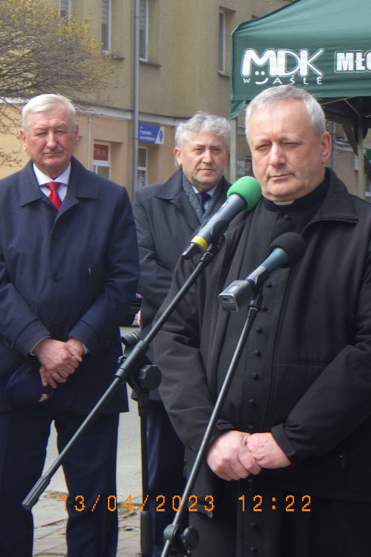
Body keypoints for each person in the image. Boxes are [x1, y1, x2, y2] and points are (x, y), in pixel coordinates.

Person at [156, 85, 371, 556]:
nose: (275, 158)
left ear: (323, 146)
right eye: (262, 146)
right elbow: (172, 335)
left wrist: (291, 440)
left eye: (289, 144)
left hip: (325, 489)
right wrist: (211, 437)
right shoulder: (222, 233)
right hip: (224, 483)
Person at [0, 94, 139, 556]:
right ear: (23, 138)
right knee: (11, 497)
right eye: (42, 132)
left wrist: (77, 344)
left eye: (61, 130)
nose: (52, 141)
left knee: (93, 499)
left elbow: (123, 282)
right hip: (17, 373)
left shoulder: (110, 199)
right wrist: (41, 345)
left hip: (90, 375)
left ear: (77, 136)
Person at [133, 111, 231, 556]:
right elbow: (143, 269)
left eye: (216, 149)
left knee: (219, 472)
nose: (207, 158)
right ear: (178, 154)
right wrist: (206, 300)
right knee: (165, 476)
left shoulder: (247, 205)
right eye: (199, 149)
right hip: (167, 361)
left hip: (226, 357)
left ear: (227, 156)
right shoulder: (148, 202)